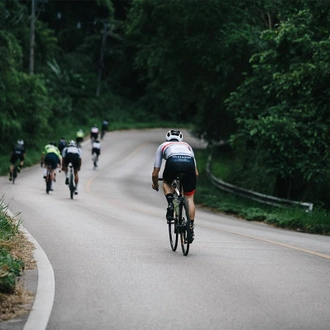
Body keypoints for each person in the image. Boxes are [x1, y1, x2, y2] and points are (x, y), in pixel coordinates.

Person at [152, 129, 198, 242]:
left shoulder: (163, 146)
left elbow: (155, 173)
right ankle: (190, 227)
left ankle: (171, 204)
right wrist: (190, 184)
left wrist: (156, 184)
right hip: (189, 164)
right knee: (189, 197)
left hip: (172, 162)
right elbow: (196, 173)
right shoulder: (187, 146)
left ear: (167, 138)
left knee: (167, 182)